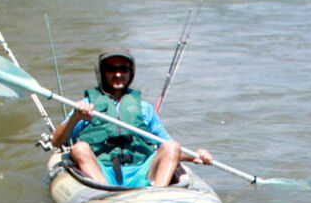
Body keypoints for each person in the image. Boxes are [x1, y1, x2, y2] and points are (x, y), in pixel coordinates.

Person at [49, 48, 211, 187]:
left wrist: (196, 156)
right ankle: (106, 194)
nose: (118, 74)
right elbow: (57, 142)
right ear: (102, 72)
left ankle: (159, 194)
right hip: (103, 172)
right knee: (79, 148)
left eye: (124, 69)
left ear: (130, 72)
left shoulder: (144, 109)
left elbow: (171, 150)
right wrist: (75, 118)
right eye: (111, 69)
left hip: (141, 171)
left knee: (172, 145)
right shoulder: (86, 105)